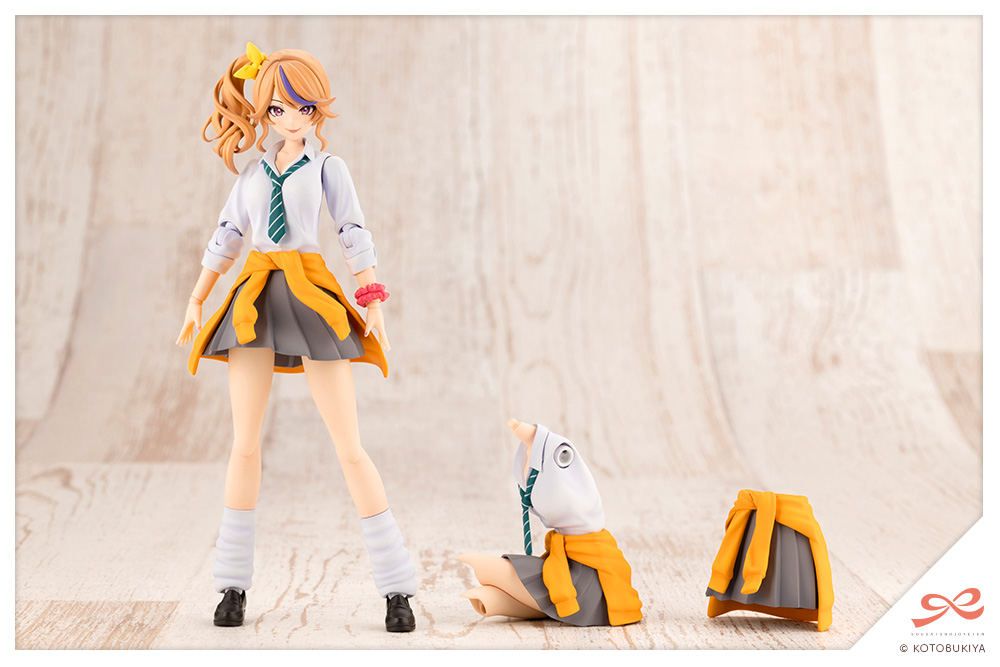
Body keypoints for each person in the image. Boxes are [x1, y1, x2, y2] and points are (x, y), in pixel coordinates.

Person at [175, 42, 417, 633]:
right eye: (279, 108)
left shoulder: (329, 169)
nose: (291, 118)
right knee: (244, 443)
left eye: (304, 108)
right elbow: (228, 234)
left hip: (310, 293)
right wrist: (198, 297)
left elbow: (352, 230)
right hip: (255, 293)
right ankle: (232, 584)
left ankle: (396, 588)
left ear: (317, 110)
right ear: (264, 111)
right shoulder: (252, 174)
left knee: (349, 445)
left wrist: (371, 297)